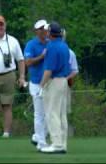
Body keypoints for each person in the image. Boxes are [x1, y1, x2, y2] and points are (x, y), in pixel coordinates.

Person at [39, 22, 70, 154]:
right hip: (64, 81)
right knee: (61, 113)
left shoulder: (51, 46)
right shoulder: (64, 45)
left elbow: (48, 70)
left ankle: (56, 143)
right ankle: (62, 143)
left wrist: (41, 85)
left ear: (50, 33)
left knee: (52, 112)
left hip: (54, 81)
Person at [24, 19, 48, 150]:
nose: (43, 31)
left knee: (50, 115)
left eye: (45, 28)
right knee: (39, 114)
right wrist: (42, 56)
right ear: (36, 31)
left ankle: (38, 137)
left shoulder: (51, 43)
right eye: (41, 29)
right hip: (36, 83)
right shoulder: (31, 45)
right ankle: (41, 143)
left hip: (50, 83)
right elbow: (27, 62)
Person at [61, 28, 79, 114]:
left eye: (62, 36)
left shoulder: (70, 53)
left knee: (64, 110)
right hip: (50, 84)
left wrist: (65, 79)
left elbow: (75, 70)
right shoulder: (48, 51)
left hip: (65, 85)